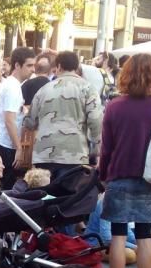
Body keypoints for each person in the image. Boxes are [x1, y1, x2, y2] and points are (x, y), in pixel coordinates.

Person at [98, 53, 151, 268]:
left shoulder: (115, 106)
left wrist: (102, 175)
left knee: (118, 235)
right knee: (143, 236)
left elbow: (106, 147)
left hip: (119, 175)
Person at [24, 50, 102, 179]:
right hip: (74, 154)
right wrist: (96, 147)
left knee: (45, 194)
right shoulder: (88, 88)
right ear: (77, 67)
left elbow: (30, 122)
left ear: (58, 66)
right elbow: (95, 120)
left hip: (44, 153)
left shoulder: (43, 90)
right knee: (69, 197)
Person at [0, 46, 36, 189]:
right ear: (17, 65)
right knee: (5, 190)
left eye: (33, 65)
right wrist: (19, 148)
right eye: (29, 65)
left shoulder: (10, 84)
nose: (33, 69)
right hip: (5, 145)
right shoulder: (13, 88)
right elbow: (9, 120)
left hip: (0, 141)